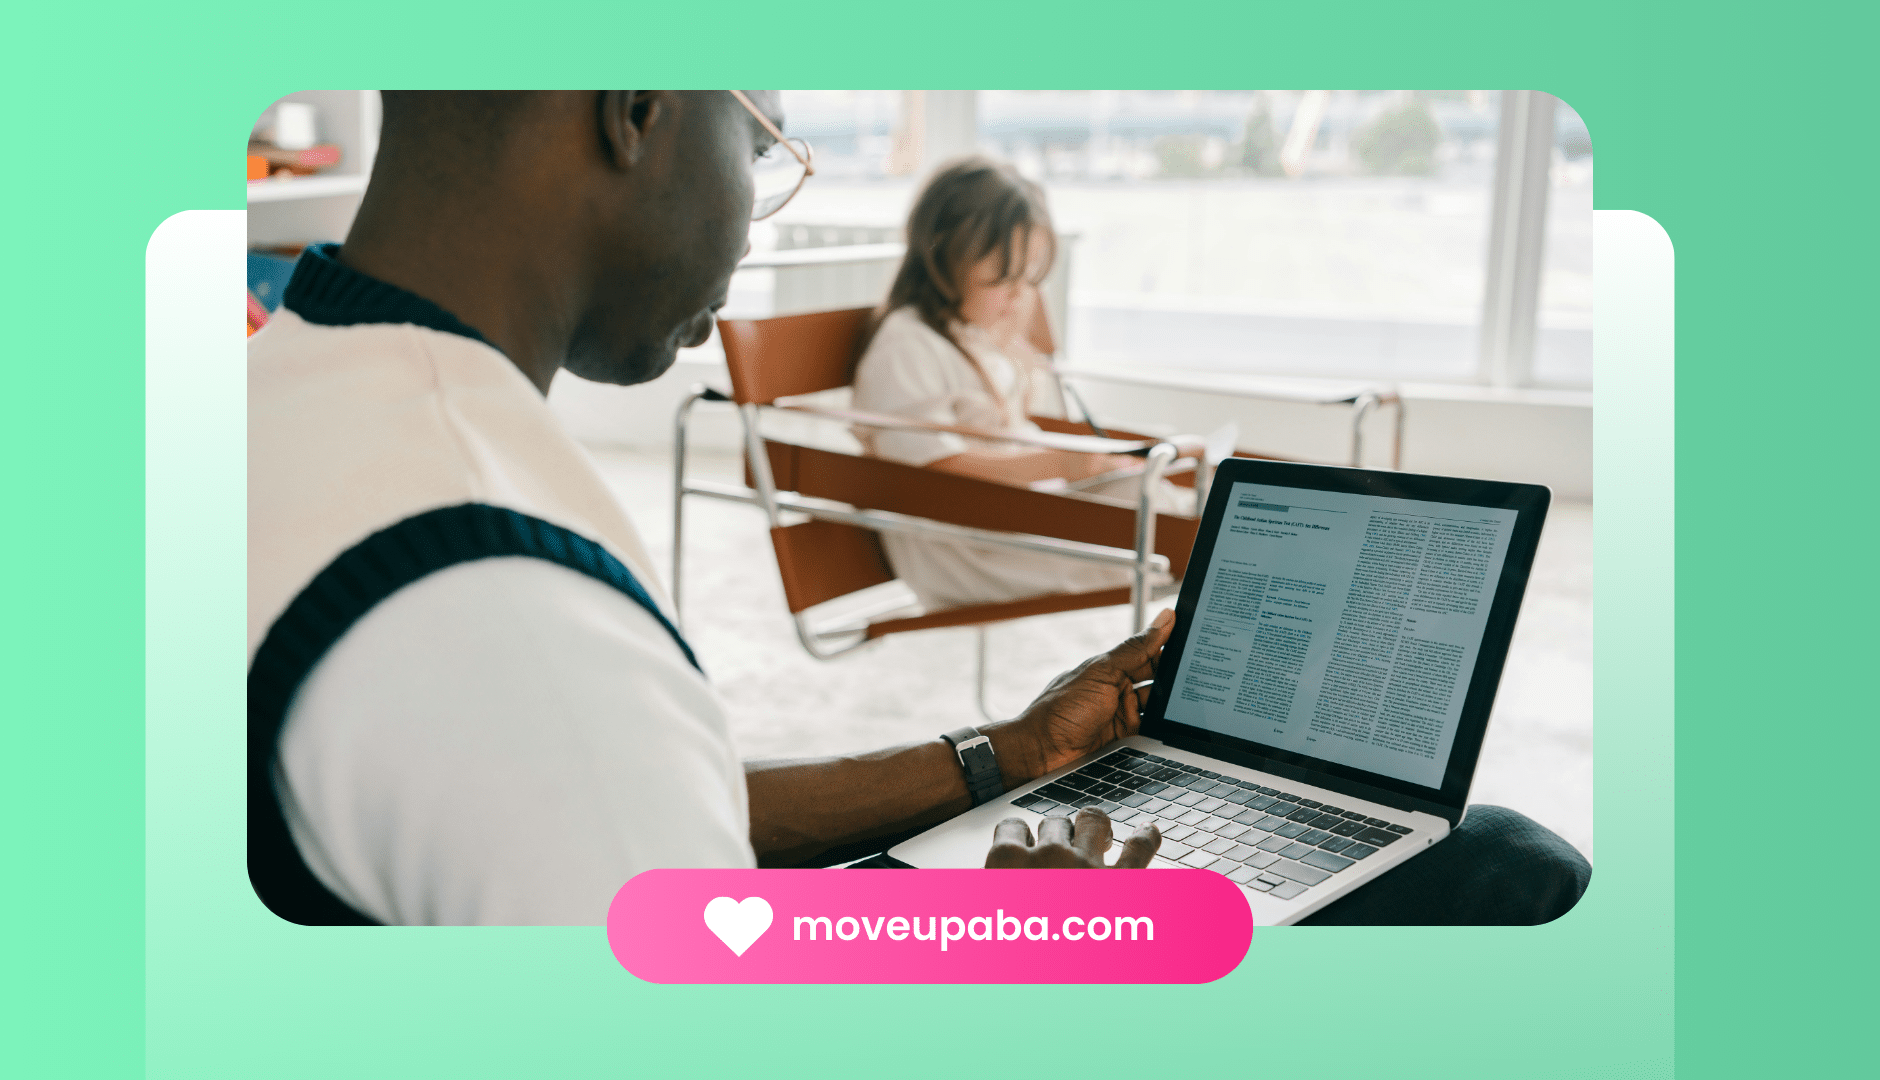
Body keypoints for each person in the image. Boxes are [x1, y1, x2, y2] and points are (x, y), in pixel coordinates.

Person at [248, 91, 1588, 926]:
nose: (758, 214)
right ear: (637, 107)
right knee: (1506, 870)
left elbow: (677, 834)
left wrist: (1002, 753)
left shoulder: (286, 389)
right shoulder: (504, 605)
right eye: (761, 136)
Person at [850, 156, 1201, 611]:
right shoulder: (906, 344)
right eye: (1004, 277)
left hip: (1010, 520)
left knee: (1163, 502)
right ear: (943, 253)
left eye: (1028, 279)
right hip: (964, 550)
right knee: (1155, 514)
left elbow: (1030, 369)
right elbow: (930, 471)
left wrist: (1017, 312)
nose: (1020, 295)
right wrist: (1054, 463)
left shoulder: (969, 333)